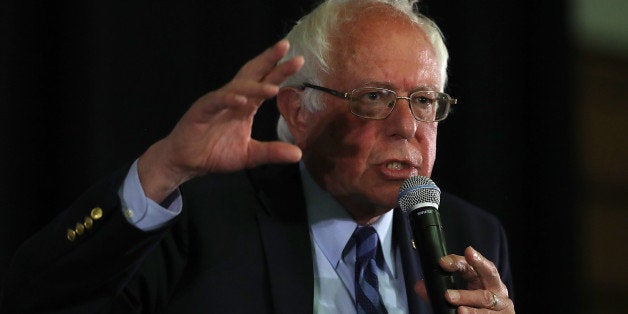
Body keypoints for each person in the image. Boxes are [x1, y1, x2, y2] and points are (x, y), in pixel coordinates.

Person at [1, 0, 515, 313]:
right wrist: (166, 169)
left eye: (424, 101)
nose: (407, 127)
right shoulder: (196, 218)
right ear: (300, 109)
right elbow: (41, 301)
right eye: (375, 98)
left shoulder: (472, 236)